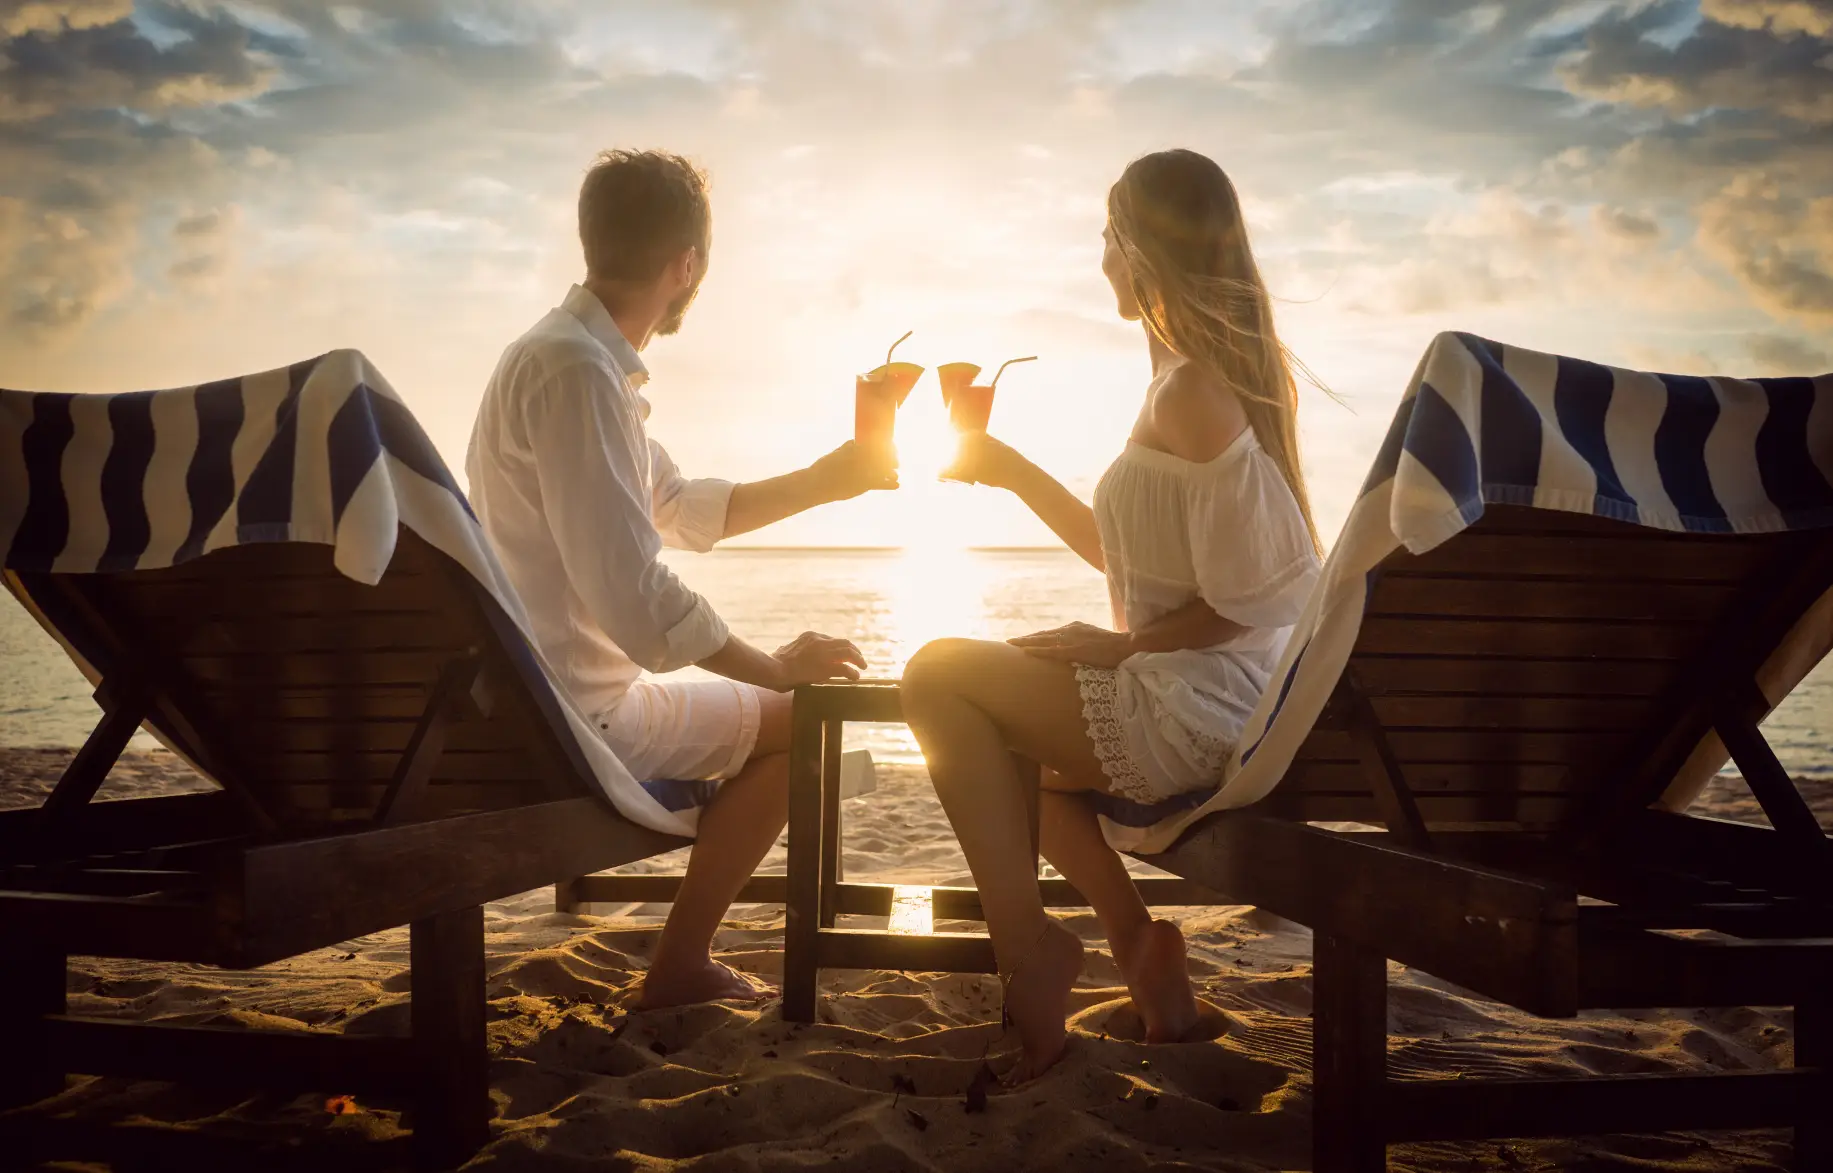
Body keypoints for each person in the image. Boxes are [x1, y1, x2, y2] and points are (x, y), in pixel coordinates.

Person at [902, 148, 1324, 1080]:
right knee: (1004, 728)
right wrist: (1008, 468)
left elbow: (1266, 597)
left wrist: (1124, 645)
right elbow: (1121, 555)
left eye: (1106, 237)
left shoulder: (1195, 393)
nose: (1099, 261)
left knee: (935, 673)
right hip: (1191, 684)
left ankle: (1030, 950)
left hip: (1202, 703)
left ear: (1140, 245)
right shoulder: (1188, 385)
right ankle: (1138, 949)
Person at [466, 149, 896, 1009]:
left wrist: (832, 477)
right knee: (804, 724)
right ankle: (681, 962)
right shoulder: (578, 372)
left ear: (593, 240)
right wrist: (773, 667)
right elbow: (635, 598)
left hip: (536, 695)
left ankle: (685, 956)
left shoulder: (569, 359)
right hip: (576, 719)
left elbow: (677, 504)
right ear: (687, 264)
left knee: (790, 715)